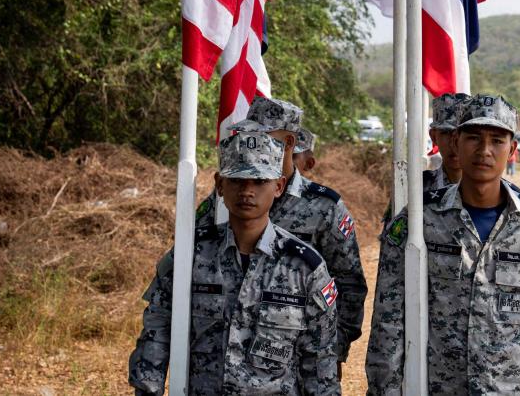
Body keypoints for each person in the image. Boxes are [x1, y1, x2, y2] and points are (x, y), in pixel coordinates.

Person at [366, 94, 520, 395]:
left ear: (512, 149)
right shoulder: (418, 220)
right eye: (473, 138)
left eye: (497, 141)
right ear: (455, 144)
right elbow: (389, 318)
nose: (484, 150)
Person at [129, 132, 340, 395]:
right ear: (220, 184)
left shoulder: (305, 268)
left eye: (260, 180)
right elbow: (156, 333)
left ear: (278, 186)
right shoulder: (189, 256)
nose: (247, 191)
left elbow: (320, 363)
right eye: (238, 179)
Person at [196, 98, 367, 371]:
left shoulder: (323, 206)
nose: (251, 142)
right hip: (222, 361)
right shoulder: (221, 202)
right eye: (247, 134)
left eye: (262, 135)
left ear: (288, 143)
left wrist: (333, 349)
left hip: (296, 360)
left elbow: (349, 283)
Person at [380, 93, 470, 229]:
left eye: (462, 134)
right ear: (434, 137)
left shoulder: (494, 192)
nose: (454, 143)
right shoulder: (414, 189)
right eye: (446, 133)